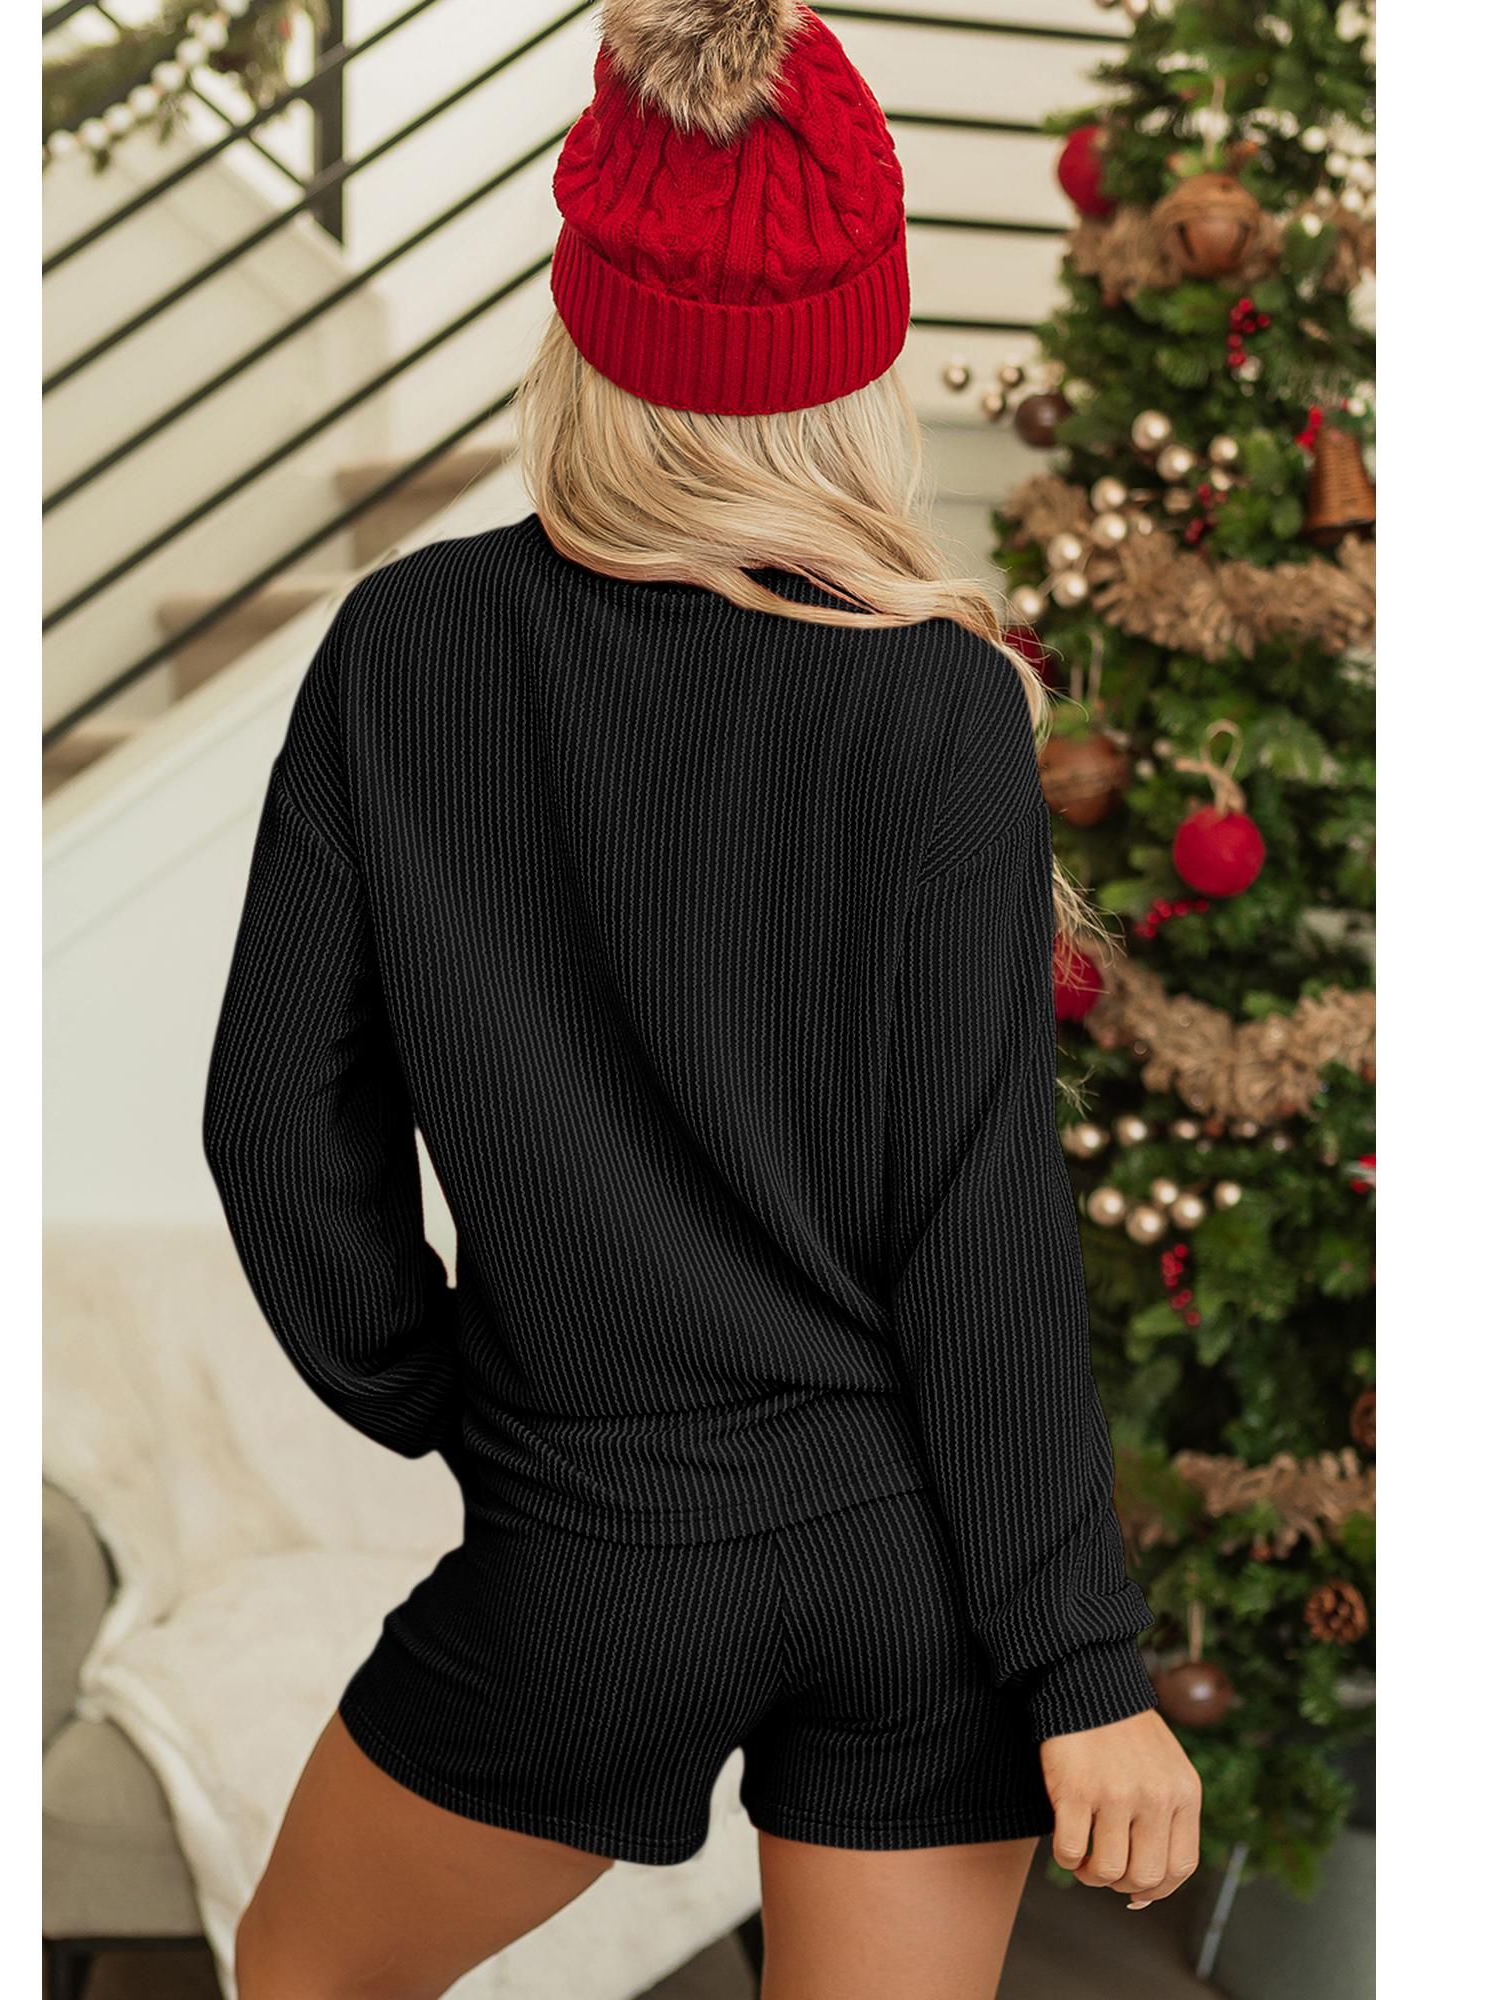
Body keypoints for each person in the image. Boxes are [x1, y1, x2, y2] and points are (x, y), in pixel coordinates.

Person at [201, 3, 1202, 1995]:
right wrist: (1080, 1658)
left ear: (581, 332)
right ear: (858, 367)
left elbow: (275, 1123)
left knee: (300, 1981)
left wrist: (460, 1398)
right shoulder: (940, 700)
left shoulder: (408, 649)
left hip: (600, 1540)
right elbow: (983, 1224)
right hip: (916, 1565)